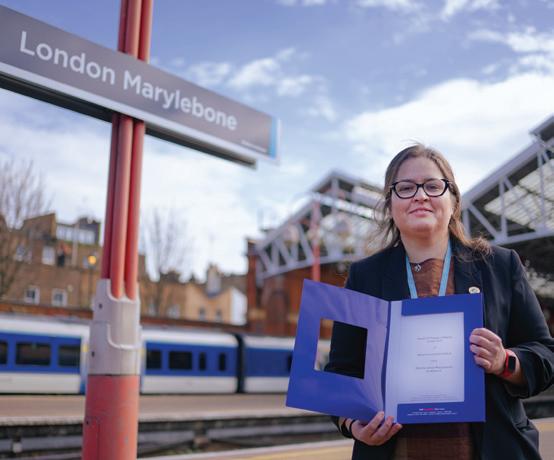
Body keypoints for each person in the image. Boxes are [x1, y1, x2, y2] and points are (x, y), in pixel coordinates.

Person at [325, 144, 554, 459]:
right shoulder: (365, 277)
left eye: (433, 186)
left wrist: (505, 361)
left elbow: (546, 354)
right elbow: (341, 370)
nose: (420, 196)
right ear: (390, 204)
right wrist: (352, 423)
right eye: (406, 188)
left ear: (453, 200)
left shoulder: (499, 266)